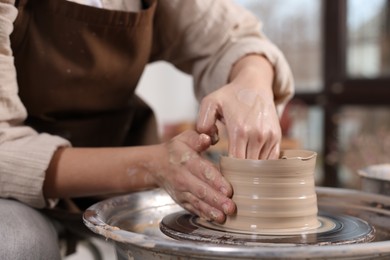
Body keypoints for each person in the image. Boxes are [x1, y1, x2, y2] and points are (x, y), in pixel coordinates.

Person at [0, 0, 294, 259]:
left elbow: (233, 36)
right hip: (14, 190)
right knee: (16, 243)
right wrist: (152, 166)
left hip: (118, 173)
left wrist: (251, 82)